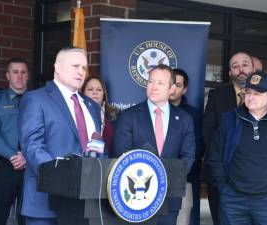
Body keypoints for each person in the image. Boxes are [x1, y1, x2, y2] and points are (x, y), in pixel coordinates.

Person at [18, 47, 101, 225]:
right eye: (75, 66)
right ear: (57, 67)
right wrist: (61, 179)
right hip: (46, 203)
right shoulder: (36, 99)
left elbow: (98, 147)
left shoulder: (92, 106)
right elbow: (32, 146)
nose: (80, 71)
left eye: (84, 68)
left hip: (84, 205)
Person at [208, 71, 267, 225]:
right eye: (248, 92)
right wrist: (223, 187)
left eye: (257, 93)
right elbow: (215, 156)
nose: (250, 97)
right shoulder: (229, 120)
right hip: (234, 200)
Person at [111, 64, 195, 225]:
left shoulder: (184, 119)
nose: (154, 87)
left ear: (171, 88)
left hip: (169, 198)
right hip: (135, 200)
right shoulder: (128, 117)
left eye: (160, 83)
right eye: (151, 82)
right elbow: (121, 155)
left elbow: (188, 157)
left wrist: (162, 182)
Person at [203, 52, 255, 225]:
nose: (241, 69)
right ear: (230, 73)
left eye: (245, 64)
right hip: (221, 175)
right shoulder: (216, 96)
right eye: (235, 66)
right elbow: (208, 132)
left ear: (253, 69)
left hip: (256, 177)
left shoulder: (266, 97)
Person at [0, 57, 29, 225]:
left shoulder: (37, 101)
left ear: (28, 75)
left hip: (31, 167)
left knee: (29, 217)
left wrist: (27, 156)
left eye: (23, 72)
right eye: (15, 72)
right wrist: (12, 156)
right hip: (5, 166)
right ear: (7, 76)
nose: (19, 76)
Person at [169, 68, 204, 225]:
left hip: (185, 177)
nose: (173, 88)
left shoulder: (193, 115)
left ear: (185, 89)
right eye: (171, 83)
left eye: (178, 84)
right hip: (154, 175)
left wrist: (179, 171)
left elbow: (196, 148)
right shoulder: (153, 111)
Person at [81, 75, 119, 151]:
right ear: (83, 93)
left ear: (103, 94)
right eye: (90, 89)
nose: (95, 92)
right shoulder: (77, 114)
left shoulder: (114, 116)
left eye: (99, 90)